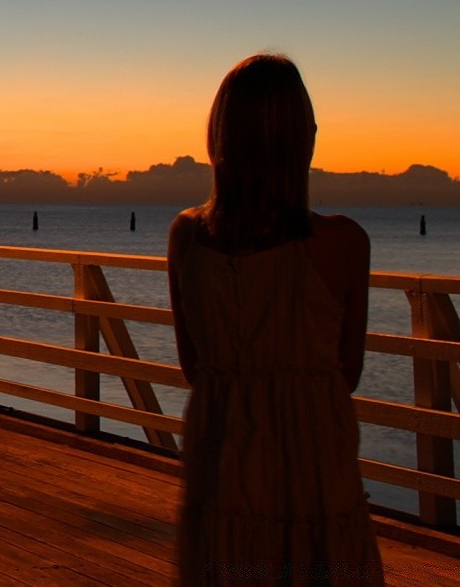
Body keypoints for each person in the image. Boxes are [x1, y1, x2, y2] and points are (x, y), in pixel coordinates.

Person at [168, 54, 384, 584]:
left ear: (220, 136)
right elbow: (346, 372)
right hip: (313, 464)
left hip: (222, 462)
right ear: (301, 137)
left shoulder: (187, 237)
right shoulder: (343, 243)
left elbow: (193, 365)